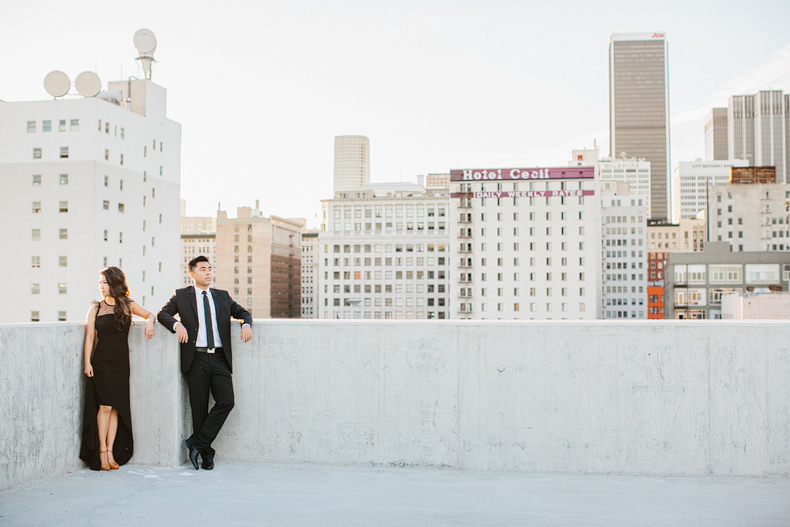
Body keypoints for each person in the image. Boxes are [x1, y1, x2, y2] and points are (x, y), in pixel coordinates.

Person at [157, 255, 252, 470]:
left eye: (210, 269)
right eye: (202, 269)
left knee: (226, 401)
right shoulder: (182, 296)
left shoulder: (221, 296)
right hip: (196, 358)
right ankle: (206, 455)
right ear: (192, 274)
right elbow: (163, 314)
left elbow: (242, 312)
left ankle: (196, 443)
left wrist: (246, 324)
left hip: (219, 358)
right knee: (198, 409)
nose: (208, 272)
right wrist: (176, 326)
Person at [80, 267, 155, 471]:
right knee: (104, 407)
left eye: (105, 282)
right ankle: (102, 451)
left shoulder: (127, 304)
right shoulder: (95, 308)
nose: (101, 286)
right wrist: (87, 362)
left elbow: (150, 314)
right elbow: (89, 337)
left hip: (121, 363)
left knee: (115, 408)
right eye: (100, 283)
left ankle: (111, 452)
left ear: (115, 283)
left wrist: (149, 323)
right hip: (101, 362)